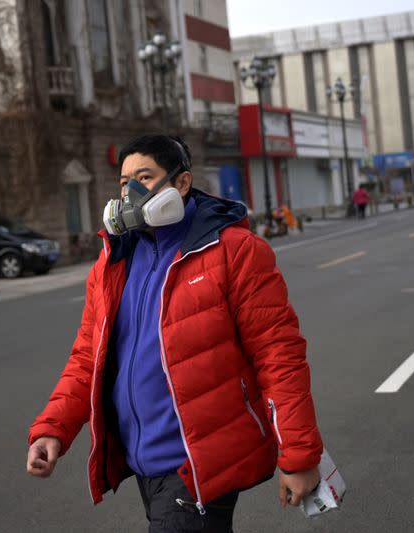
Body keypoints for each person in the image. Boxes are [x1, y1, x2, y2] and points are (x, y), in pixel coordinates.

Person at [27, 134, 323, 532]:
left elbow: (278, 356)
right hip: (143, 461)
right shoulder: (113, 260)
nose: (131, 191)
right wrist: (53, 429)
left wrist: (299, 456)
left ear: (182, 184)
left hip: (195, 461)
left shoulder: (234, 250)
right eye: (124, 181)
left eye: (145, 177)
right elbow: (88, 357)